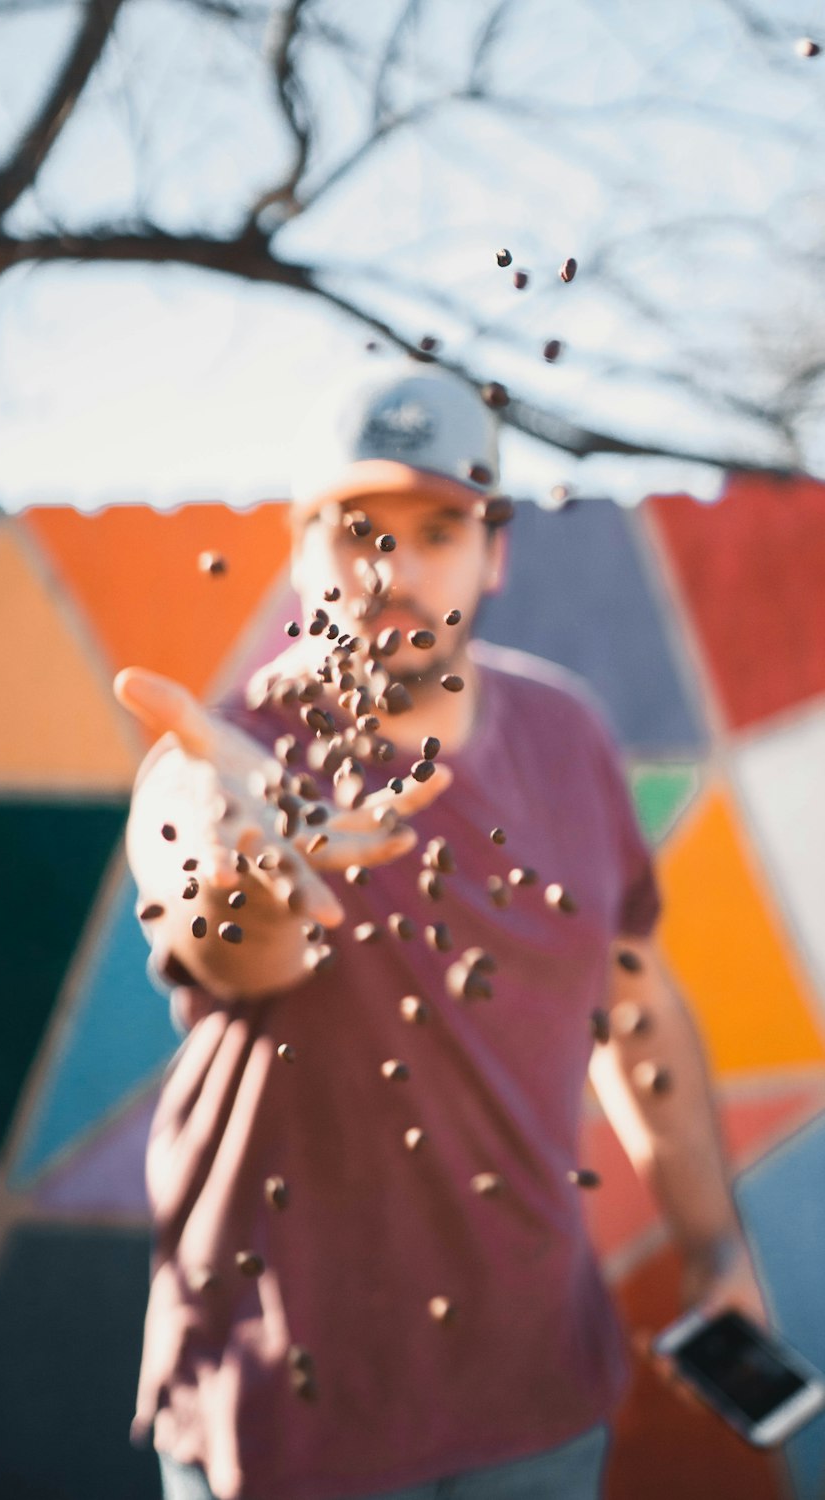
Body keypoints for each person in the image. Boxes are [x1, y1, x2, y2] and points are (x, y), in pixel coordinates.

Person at [114, 362, 765, 1500]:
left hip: (535, 1409)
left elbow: (637, 1010)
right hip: (288, 1423)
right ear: (300, 548)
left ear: (494, 550)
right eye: (355, 527)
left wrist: (714, 1249)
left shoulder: (568, 737)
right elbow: (228, 937)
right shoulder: (221, 760)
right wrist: (263, 871)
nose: (394, 568)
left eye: (437, 528)